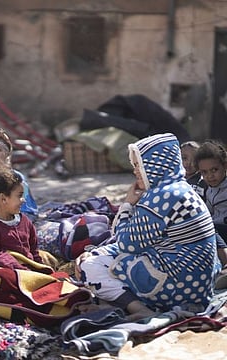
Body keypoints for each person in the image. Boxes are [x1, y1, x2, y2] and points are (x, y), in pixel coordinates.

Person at [75, 133, 220, 320]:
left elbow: (126, 243)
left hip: (180, 289)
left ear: (155, 165)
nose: (135, 171)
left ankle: (140, 310)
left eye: (139, 165)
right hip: (197, 287)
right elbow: (140, 241)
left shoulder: (161, 196)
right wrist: (99, 251)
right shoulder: (180, 189)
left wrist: (127, 204)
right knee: (102, 256)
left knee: (90, 266)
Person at [0, 169, 51, 273]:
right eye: (19, 196)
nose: (23, 200)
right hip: (4, 271)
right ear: (3, 199)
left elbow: (33, 251)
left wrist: (39, 268)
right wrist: (23, 271)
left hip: (27, 269)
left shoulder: (25, 221)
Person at [194, 139, 227, 267]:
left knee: (209, 228)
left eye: (214, 170)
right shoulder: (208, 189)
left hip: (221, 229)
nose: (210, 176)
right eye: (204, 172)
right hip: (217, 231)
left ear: (225, 166)